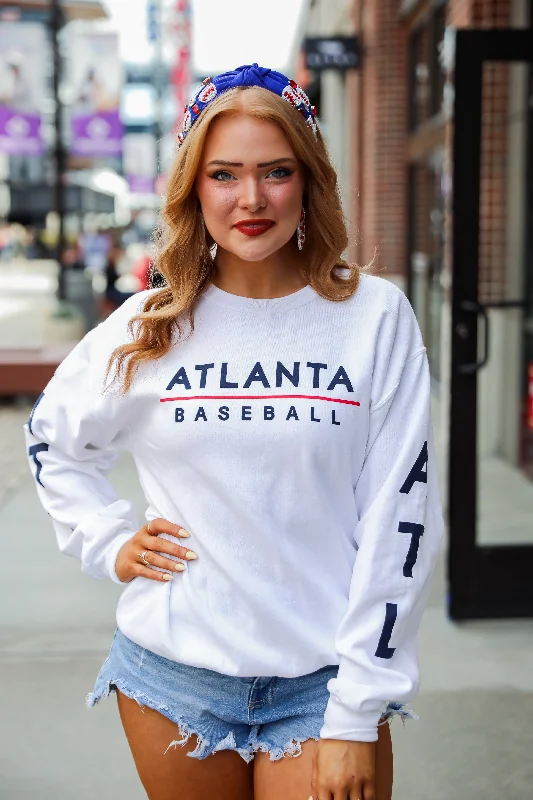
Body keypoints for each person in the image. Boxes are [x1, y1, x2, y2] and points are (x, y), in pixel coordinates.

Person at [23, 64, 444, 800]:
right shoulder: (148, 326)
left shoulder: (373, 318)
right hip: (171, 676)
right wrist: (108, 539)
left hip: (324, 681)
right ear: (194, 187)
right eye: (224, 174)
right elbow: (52, 442)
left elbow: (400, 519)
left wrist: (354, 711)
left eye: (275, 172)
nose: (251, 199)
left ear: (307, 180)